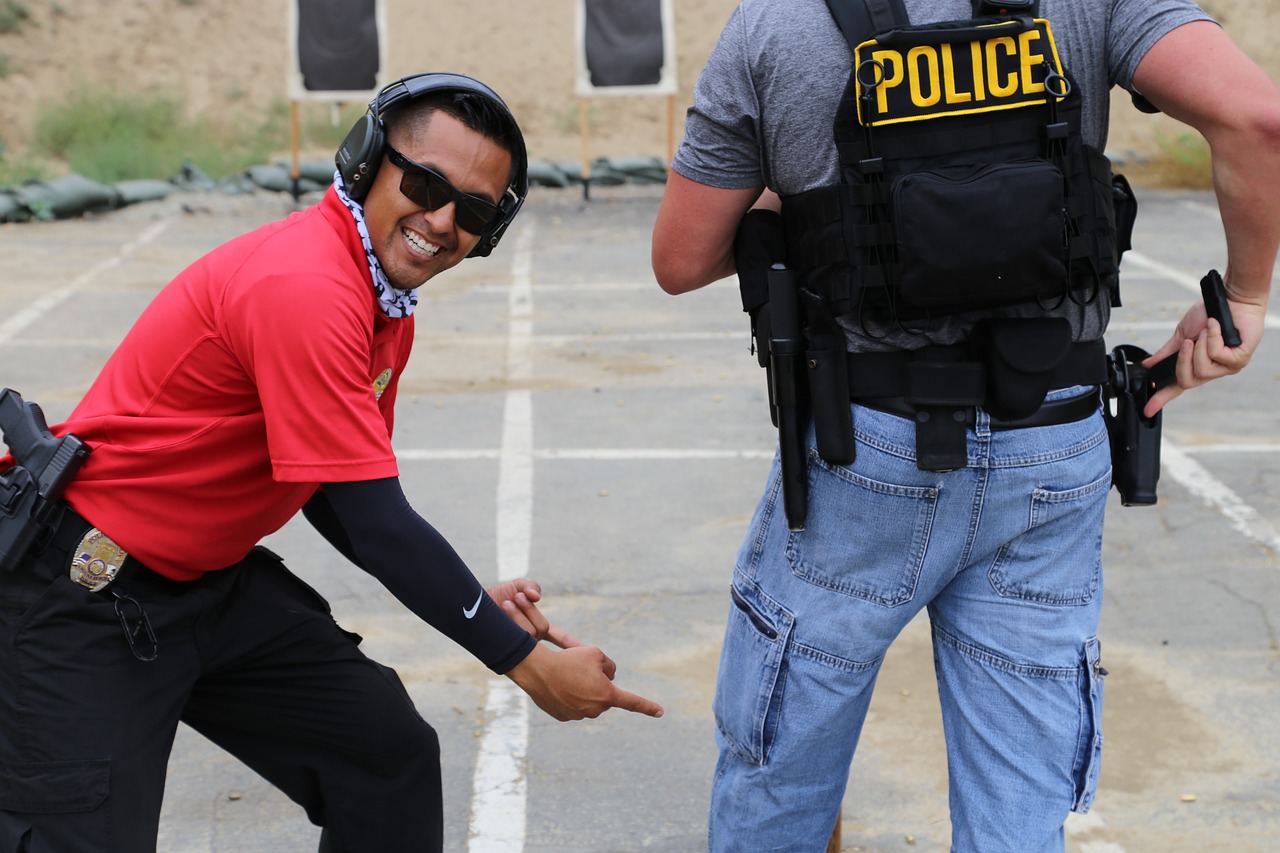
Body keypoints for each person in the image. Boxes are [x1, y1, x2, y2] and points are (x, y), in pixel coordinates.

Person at [652, 1, 1280, 850]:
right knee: (1018, 818)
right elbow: (1256, 117)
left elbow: (681, 257)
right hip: (1052, 443)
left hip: (862, 447)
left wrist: (786, 187)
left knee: (780, 785)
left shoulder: (774, 22)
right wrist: (1243, 296)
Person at [0, 72, 662, 853]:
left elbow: (337, 492)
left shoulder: (381, 298)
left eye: (474, 211)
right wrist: (523, 662)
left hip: (204, 586)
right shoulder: (307, 285)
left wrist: (463, 596)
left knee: (386, 761)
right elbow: (379, 524)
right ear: (365, 160)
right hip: (86, 592)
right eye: (424, 183)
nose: (442, 220)